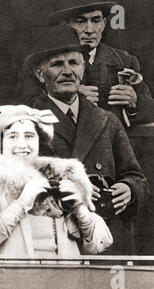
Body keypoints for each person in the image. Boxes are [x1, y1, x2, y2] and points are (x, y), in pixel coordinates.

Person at [21, 24, 149, 254]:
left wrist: (129, 189)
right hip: (55, 240)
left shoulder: (107, 120)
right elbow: (18, 183)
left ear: (83, 69)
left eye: (74, 63)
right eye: (57, 64)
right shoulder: (26, 122)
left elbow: (137, 177)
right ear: (40, 74)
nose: (68, 71)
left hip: (106, 237)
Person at [0, 105, 112, 256]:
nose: (21, 145)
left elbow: (100, 243)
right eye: (12, 136)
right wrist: (21, 204)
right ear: (1, 143)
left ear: (38, 142)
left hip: (65, 281)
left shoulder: (58, 181)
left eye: (29, 136)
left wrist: (80, 210)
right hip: (11, 281)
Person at [16, 0, 154, 128]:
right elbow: (21, 111)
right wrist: (66, 100)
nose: (89, 29)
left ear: (104, 23)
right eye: (80, 21)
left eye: (96, 20)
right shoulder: (40, 63)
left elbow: (150, 110)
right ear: (65, 25)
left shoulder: (124, 60)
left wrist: (134, 103)